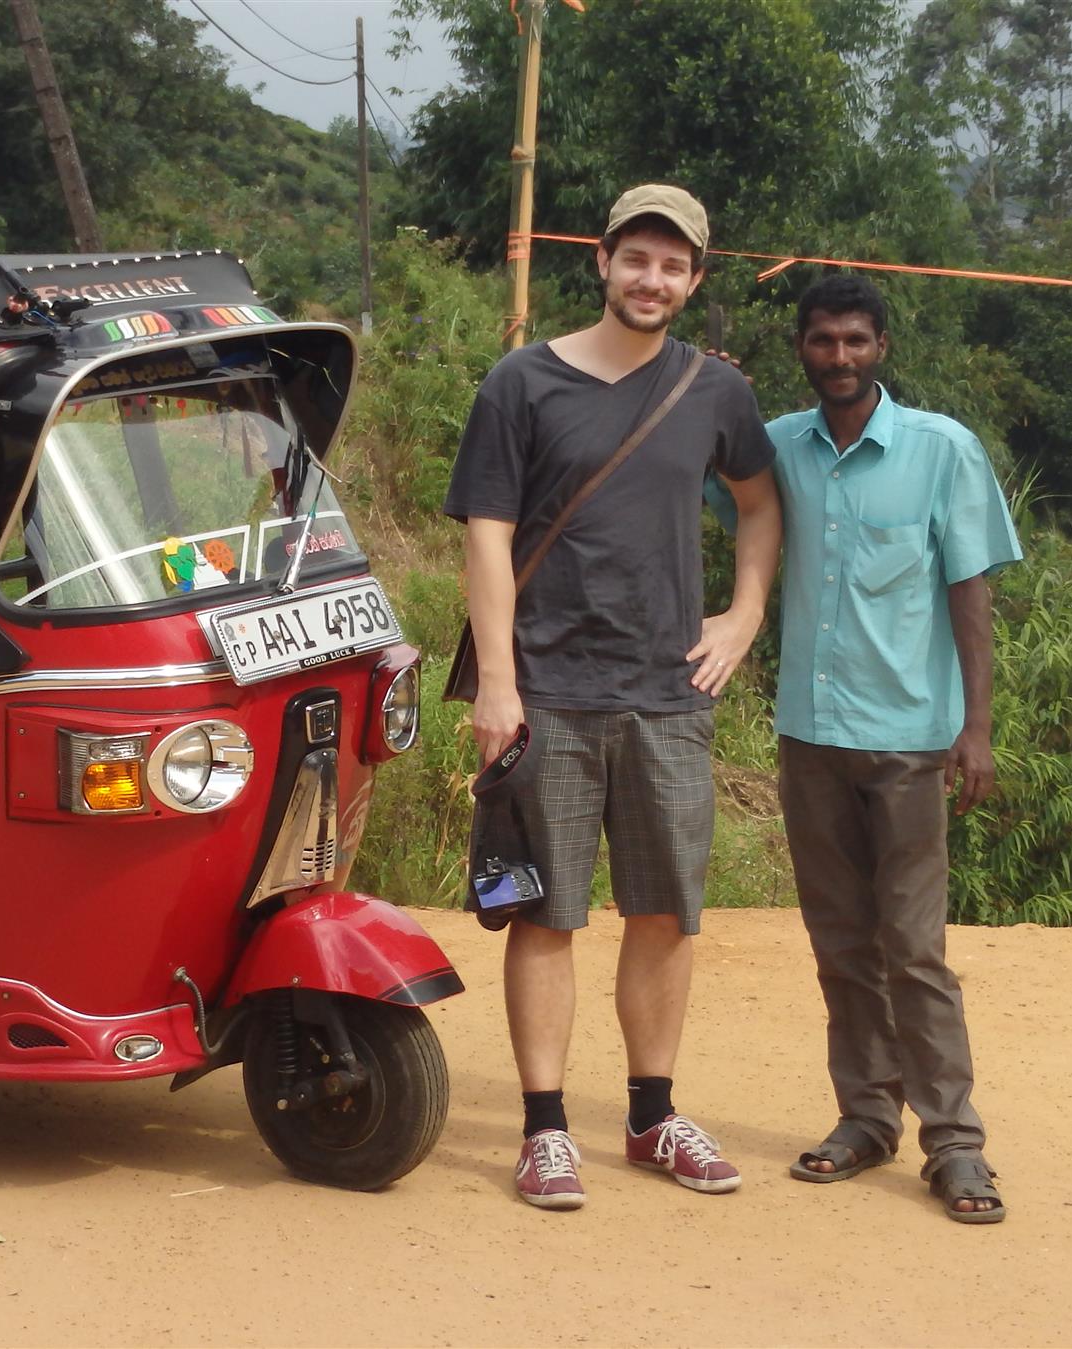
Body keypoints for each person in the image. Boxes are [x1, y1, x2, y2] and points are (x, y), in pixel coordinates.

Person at [443, 184, 781, 1210]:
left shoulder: (715, 392)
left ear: (695, 280)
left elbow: (760, 503)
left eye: (674, 265)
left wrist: (744, 614)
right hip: (548, 687)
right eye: (638, 257)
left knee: (666, 912)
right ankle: (546, 1129)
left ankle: (651, 1115)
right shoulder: (523, 382)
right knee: (546, 913)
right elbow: (487, 535)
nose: (652, 279)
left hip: (669, 691)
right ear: (602, 260)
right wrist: (498, 683)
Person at [764, 273, 1021, 1224]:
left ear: (882, 348)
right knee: (840, 943)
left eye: (856, 341)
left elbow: (970, 590)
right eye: (823, 340)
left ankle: (954, 1142)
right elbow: (704, 488)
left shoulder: (941, 448)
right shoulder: (778, 448)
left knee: (913, 948)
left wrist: (976, 728)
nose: (839, 357)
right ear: (802, 346)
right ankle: (866, 1117)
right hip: (811, 736)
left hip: (911, 740)